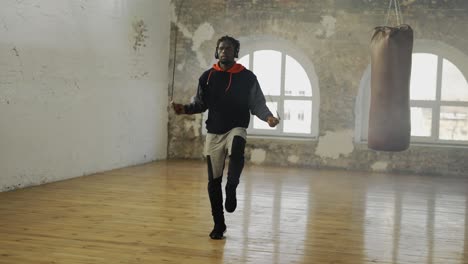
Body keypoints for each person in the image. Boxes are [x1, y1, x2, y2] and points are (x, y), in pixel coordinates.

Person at [172, 35, 279, 240]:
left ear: (235, 52)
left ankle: (232, 186)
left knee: (237, 146)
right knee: (213, 181)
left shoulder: (247, 77)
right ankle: (219, 224)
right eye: (221, 48)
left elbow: (257, 103)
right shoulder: (207, 77)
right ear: (217, 51)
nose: (224, 51)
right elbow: (200, 104)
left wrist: (268, 118)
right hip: (214, 132)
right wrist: (183, 109)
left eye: (228, 48)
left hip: (236, 127)